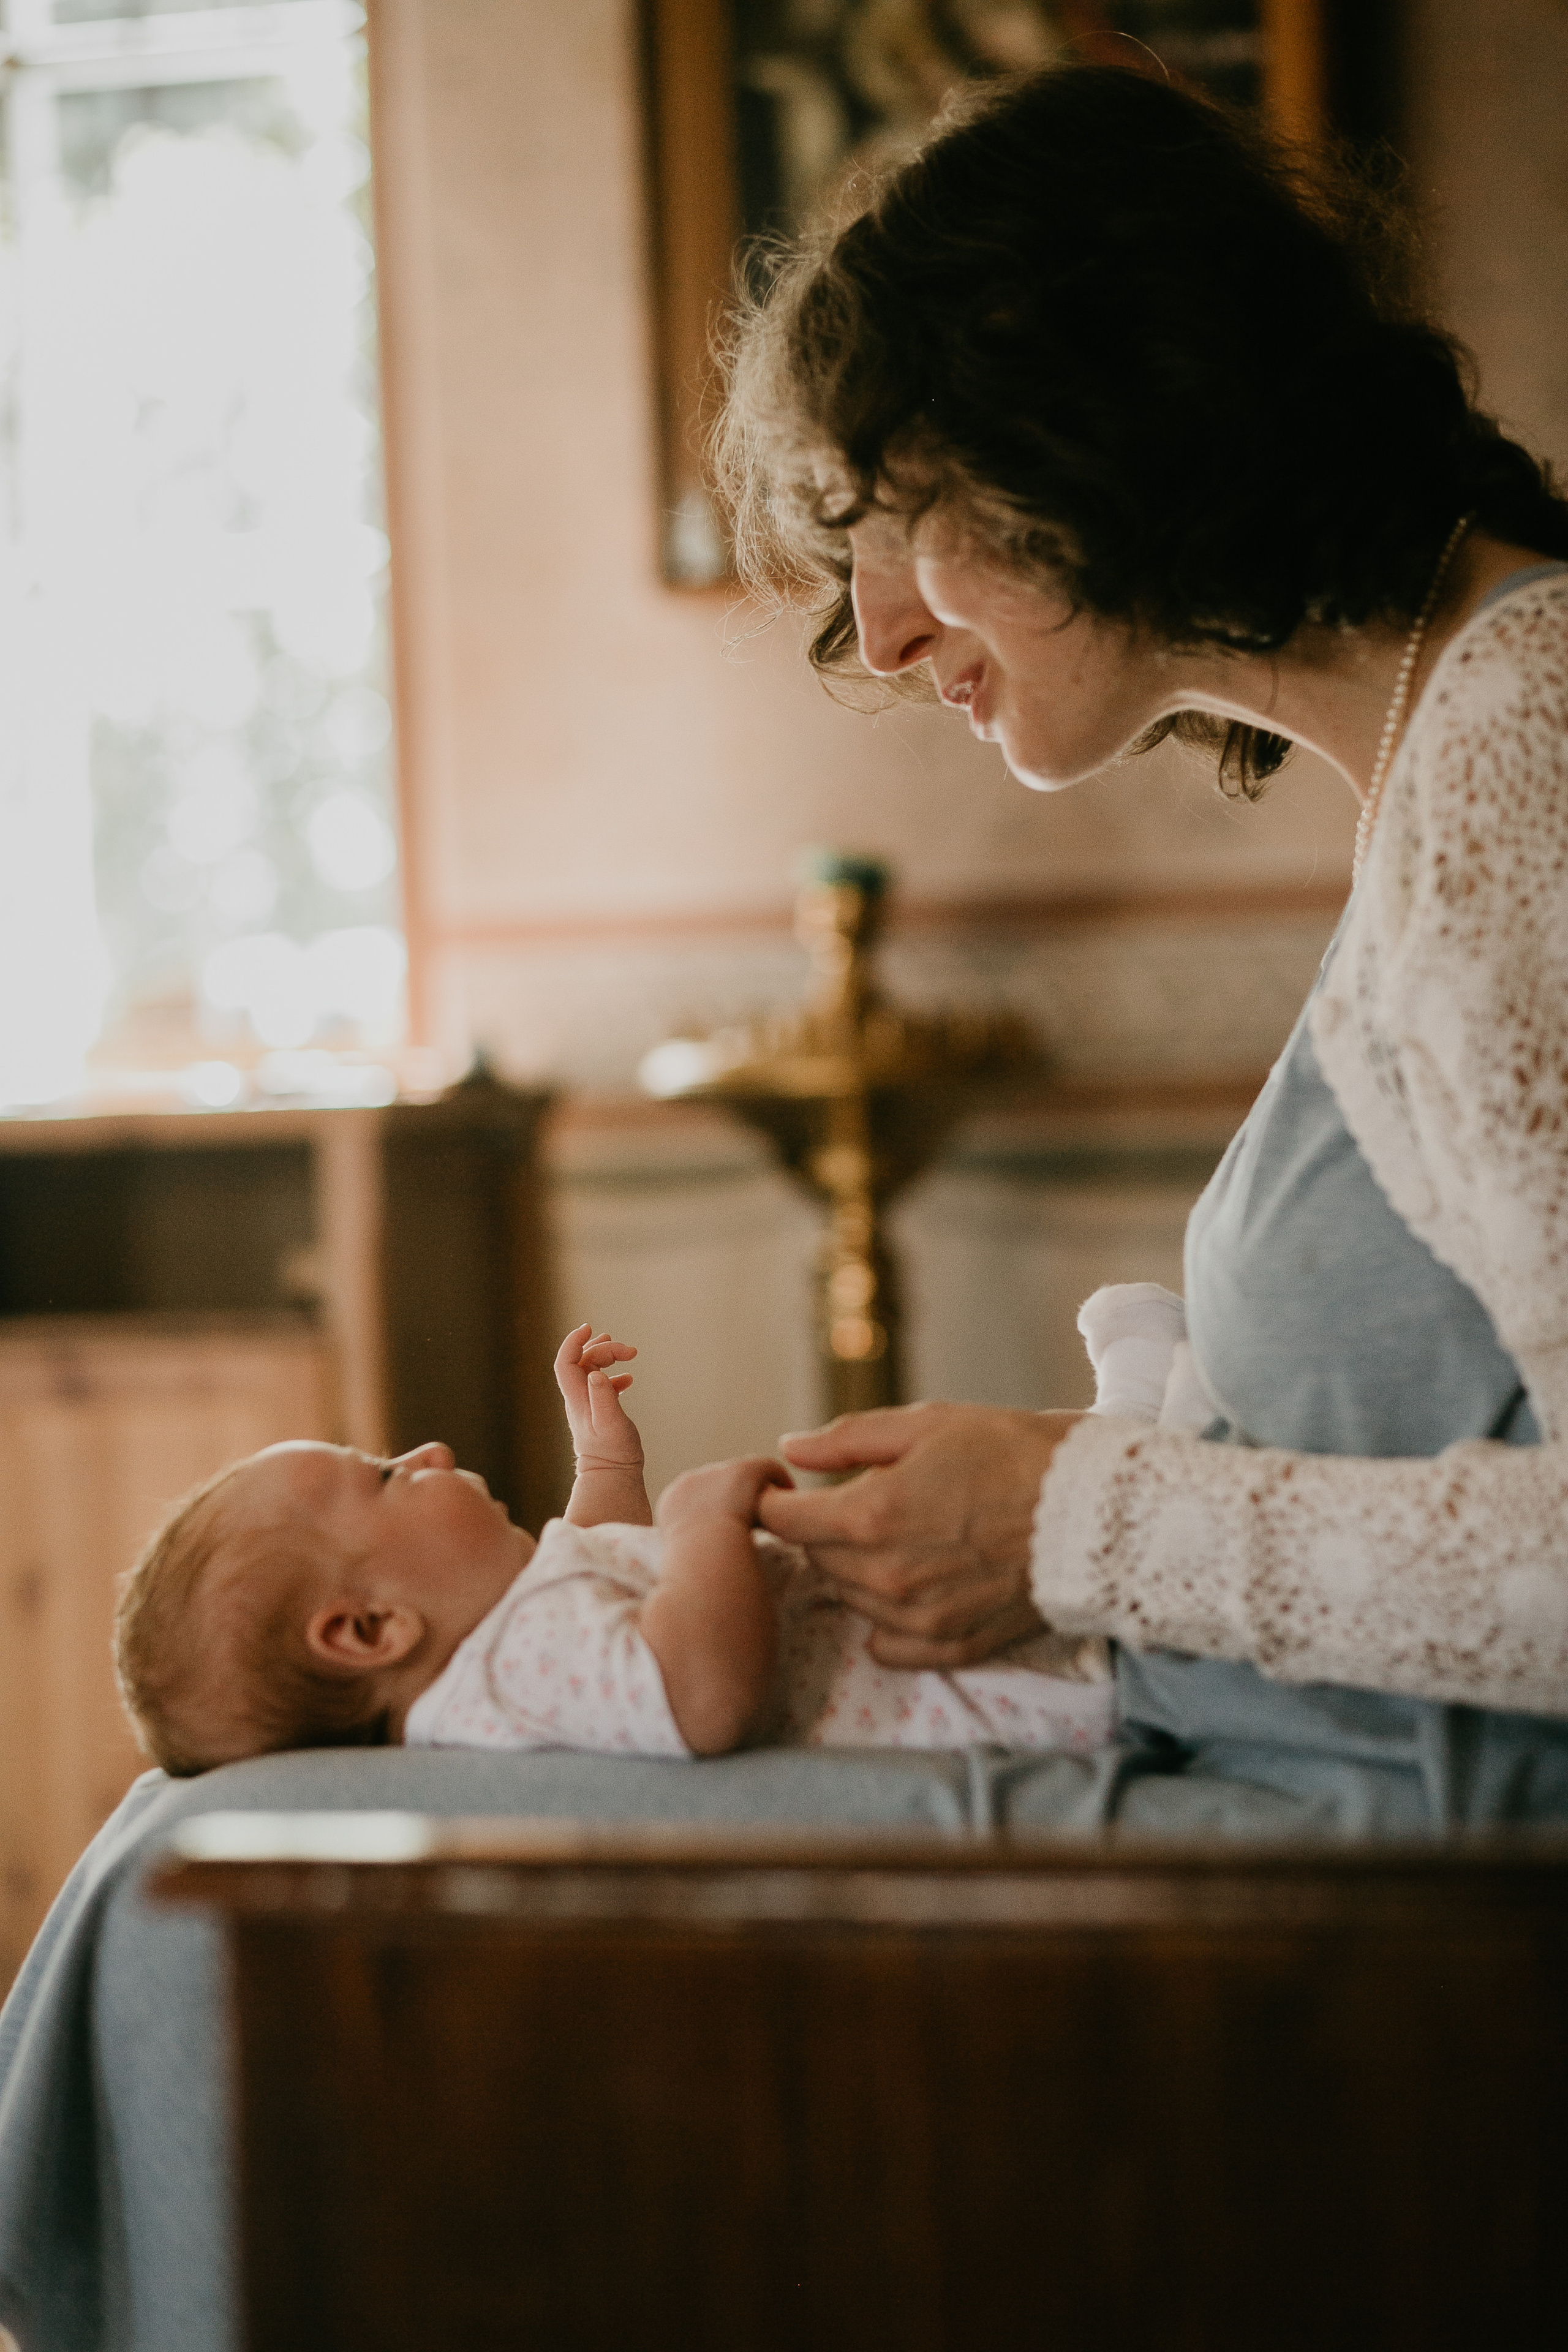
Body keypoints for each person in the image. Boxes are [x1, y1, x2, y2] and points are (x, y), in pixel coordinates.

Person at [716, 63, 1568, 1826]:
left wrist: (1066, 1523)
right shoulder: (1461, 742)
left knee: (213, 1863)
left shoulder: (1523, 748)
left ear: (1078, 428)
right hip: (1278, 1811)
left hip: (1437, 1924)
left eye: (888, 522)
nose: (873, 636)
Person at [111, 1324, 1113, 1777]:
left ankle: (1128, 1440)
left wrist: (603, 1457)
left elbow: (602, 1566)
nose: (424, 1452)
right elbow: (700, 1690)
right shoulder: (510, 1671)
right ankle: (1137, 1446)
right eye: (381, 1476)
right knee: (1065, 1569)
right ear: (372, 1629)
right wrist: (702, 1523)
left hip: (917, 1644)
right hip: (962, 1688)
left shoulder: (518, 1648)